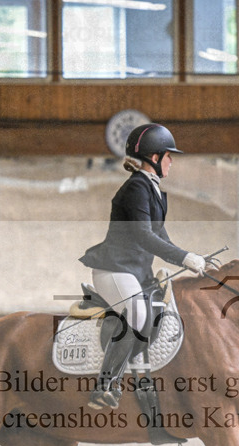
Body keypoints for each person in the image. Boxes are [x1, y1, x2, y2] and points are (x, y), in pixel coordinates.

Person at [79, 122, 206, 410]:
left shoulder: (153, 191)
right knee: (136, 312)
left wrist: (191, 258)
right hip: (115, 270)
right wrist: (185, 258)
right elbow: (143, 236)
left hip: (134, 273)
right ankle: (105, 385)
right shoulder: (136, 188)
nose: (172, 161)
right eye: (169, 156)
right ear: (155, 157)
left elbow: (161, 238)